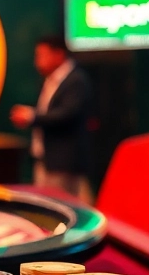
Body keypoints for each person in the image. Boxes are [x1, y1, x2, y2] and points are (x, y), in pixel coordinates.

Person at [11, 35, 95, 203]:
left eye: (42, 55)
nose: (37, 61)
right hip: (45, 158)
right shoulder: (50, 80)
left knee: (63, 208)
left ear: (58, 55)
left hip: (64, 162)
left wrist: (31, 117)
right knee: (47, 207)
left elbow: (67, 114)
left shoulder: (75, 80)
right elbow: (49, 112)